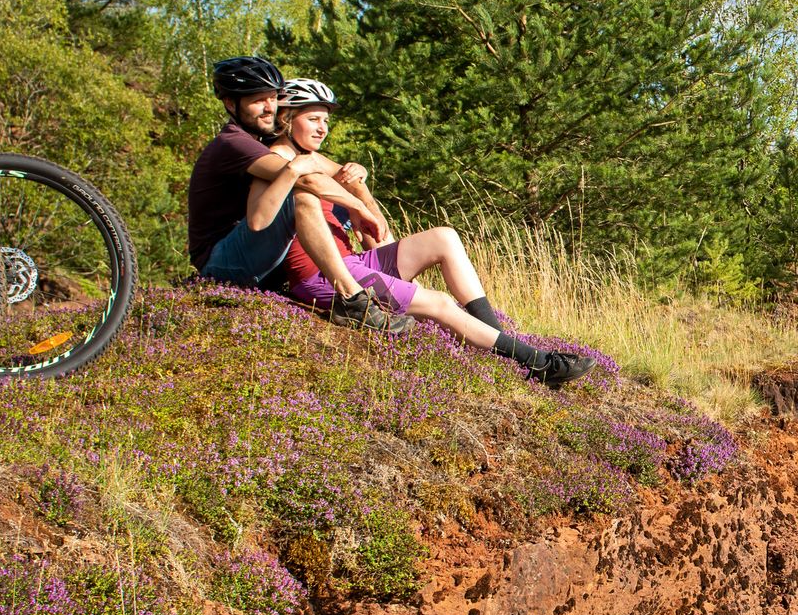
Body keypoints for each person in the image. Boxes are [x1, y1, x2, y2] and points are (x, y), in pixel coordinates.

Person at [258, 79, 592, 388]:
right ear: (286, 117)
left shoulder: (311, 156)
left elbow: (365, 203)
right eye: (314, 119)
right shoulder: (280, 159)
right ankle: (537, 363)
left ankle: (499, 341)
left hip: (353, 260)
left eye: (326, 121)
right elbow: (313, 182)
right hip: (324, 277)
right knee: (440, 303)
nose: (322, 128)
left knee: (444, 237)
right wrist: (354, 202)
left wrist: (358, 183)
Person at [187, 55, 410, 334]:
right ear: (231, 104)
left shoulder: (259, 141)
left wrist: (358, 182)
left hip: (252, 250)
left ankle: (390, 281)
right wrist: (356, 206)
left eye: (272, 98)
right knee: (301, 196)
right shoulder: (234, 143)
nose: (269, 108)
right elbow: (306, 179)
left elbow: (341, 176)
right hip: (222, 262)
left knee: (334, 196)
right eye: (258, 100)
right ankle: (351, 298)